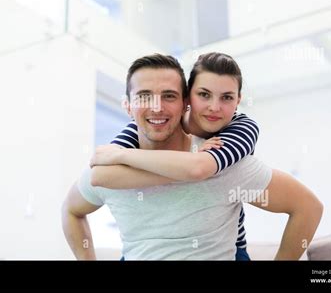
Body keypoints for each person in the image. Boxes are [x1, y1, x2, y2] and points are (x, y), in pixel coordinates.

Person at [62, 54, 323, 260]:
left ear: (184, 103)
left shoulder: (224, 156)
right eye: (143, 96)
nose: (156, 107)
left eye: (169, 96)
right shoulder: (114, 160)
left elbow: (307, 206)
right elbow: (74, 206)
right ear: (127, 106)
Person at [92, 52, 258, 260]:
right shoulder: (158, 121)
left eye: (227, 97)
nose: (214, 107)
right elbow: (99, 176)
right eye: (204, 94)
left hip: (229, 245)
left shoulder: (242, 127)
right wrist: (125, 155)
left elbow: (198, 168)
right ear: (189, 99)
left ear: (238, 100)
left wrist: (123, 156)